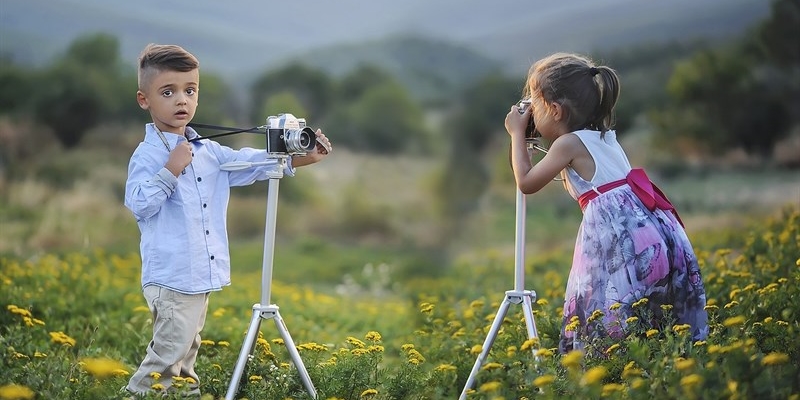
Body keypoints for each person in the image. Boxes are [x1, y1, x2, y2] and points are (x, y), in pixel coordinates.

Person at [123, 43, 332, 397]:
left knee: (186, 352)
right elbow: (139, 204)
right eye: (168, 92)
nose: (181, 101)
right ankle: (137, 394)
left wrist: (301, 158)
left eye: (190, 91)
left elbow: (249, 163)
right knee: (167, 356)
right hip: (173, 276)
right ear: (144, 100)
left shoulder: (209, 150)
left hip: (198, 275)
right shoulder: (148, 155)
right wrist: (170, 170)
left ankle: (185, 395)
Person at [504, 52, 707, 353]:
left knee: (604, 310)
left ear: (556, 110)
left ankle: (607, 372)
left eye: (534, 103)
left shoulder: (567, 144)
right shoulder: (605, 136)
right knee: (649, 317)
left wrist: (516, 134)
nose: (530, 111)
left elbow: (526, 182)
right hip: (656, 236)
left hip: (619, 243)